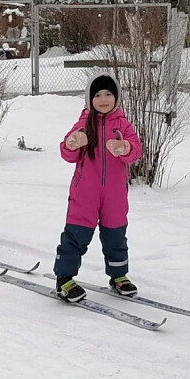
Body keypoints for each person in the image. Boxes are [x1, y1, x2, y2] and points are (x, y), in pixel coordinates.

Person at [52, 74, 143, 304]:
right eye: (98, 95)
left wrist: (125, 147)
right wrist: (73, 143)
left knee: (116, 235)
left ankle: (118, 275)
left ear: (117, 97)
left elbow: (136, 151)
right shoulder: (83, 123)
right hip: (86, 192)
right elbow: (66, 152)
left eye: (109, 94)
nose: (103, 99)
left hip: (114, 195)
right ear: (90, 99)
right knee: (76, 235)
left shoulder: (122, 125)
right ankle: (64, 278)